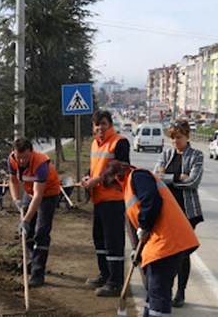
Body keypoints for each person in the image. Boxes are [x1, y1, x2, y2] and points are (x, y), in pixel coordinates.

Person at [99, 160, 199, 317]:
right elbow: (135, 224)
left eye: (114, 187)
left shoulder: (138, 176)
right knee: (152, 288)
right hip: (158, 244)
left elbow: (152, 201)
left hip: (169, 242)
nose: (117, 191)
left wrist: (144, 226)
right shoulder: (128, 190)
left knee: (158, 290)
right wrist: (137, 251)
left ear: (117, 178)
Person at [153, 119, 204, 308]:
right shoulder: (166, 153)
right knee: (167, 251)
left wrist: (167, 178)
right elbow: (155, 177)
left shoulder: (196, 155)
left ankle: (180, 291)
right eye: (173, 137)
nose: (175, 141)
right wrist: (176, 177)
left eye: (179, 137)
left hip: (187, 212)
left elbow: (193, 182)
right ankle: (165, 288)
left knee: (183, 253)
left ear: (187, 136)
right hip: (167, 211)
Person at [81, 110, 130, 297]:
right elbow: (97, 166)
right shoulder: (95, 143)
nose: (100, 127)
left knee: (113, 242)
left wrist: (98, 180)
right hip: (98, 199)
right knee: (99, 240)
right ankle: (105, 274)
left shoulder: (119, 142)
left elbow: (122, 169)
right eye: (96, 124)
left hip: (113, 200)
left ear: (109, 124)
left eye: (103, 123)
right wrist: (88, 176)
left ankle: (115, 282)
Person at [8, 137, 61, 288]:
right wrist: (16, 199)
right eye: (19, 157)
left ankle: (38, 274)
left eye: (25, 157)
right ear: (14, 153)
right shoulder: (12, 160)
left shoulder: (41, 163)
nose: (22, 161)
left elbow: (39, 196)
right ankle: (33, 260)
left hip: (48, 194)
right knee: (28, 233)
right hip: (30, 192)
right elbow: (12, 180)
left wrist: (25, 219)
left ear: (31, 153)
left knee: (41, 232)